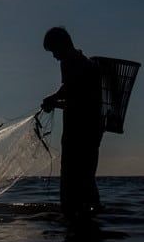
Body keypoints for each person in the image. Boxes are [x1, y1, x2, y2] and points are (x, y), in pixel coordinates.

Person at [40, 26, 105, 224]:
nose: (54, 57)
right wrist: (55, 100)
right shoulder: (82, 62)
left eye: (54, 51)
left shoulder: (73, 63)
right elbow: (72, 92)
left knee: (72, 176)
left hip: (82, 130)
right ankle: (90, 220)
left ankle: (73, 218)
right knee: (86, 176)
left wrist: (53, 100)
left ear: (62, 45)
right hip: (91, 127)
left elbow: (74, 93)